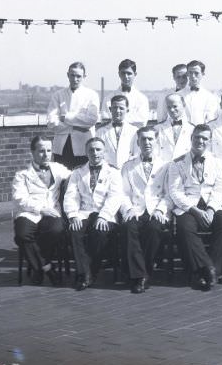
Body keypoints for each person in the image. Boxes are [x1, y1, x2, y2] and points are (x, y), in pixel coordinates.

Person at [167, 125, 222, 291]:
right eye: (197, 137)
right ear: (191, 138)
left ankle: (212, 270)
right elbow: (175, 191)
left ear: (210, 141)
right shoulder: (177, 163)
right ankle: (208, 269)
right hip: (189, 206)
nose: (200, 141)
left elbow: (220, 189)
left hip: (212, 204)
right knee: (184, 227)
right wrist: (194, 210)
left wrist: (210, 209)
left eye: (204, 138)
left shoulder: (218, 162)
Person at [63, 137, 123, 291]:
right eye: (91, 150)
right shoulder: (78, 172)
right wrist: (73, 215)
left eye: (98, 149)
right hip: (83, 212)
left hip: (105, 213)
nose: (95, 153)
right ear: (86, 152)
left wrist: (104, 216)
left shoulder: (113, 172)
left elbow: (115, 197)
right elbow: (71, 195)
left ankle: (89, 272)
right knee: (75, 232)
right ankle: (85, 273)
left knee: (100, 233)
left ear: (104, 152)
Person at [12, 135, 71, 285]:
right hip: (29, 213)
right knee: (22, 234)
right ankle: (47, 267)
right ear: (32, 152)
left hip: (52, 212)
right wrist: (40, 209)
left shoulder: (58, 168)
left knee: (56, 230)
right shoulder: (22, 175)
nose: (46, 155)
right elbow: (19, 199)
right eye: (41, 151)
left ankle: (37, 268)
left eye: (49, 150)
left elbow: (75, 176)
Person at [120, 126, 170, 294]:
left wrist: (161, 210)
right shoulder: (128, 166)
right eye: (143, 139)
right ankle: (142, 275)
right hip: (136, 209)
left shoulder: (166, 165)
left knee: (154, 229)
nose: (147, 142)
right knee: (128, 228)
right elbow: (123, 193)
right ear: (138, 142)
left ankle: (140, 274)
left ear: (156, 141)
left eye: (150, 139)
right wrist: (128, 209)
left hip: (156, 210)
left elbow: (169, 193)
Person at [47, 61, 100, 169]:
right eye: (72, 75)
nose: (75, 79)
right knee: (61, 177)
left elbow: (92, 119)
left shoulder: (92, 95)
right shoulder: (58, 95)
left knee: (83, 177)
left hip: (84, 146)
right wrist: (78, 127)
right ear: (68, 75)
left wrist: (65, 118)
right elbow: (51, 122)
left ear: (84, 76)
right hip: (62, 147)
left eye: (78, 76)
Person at [100, 58, 149, 128]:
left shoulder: (142, 99)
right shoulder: (108, 99)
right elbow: (104, 120)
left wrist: (115, 119)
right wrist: (131, 119)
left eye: (129, 73)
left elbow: (142, 122)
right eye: (123, 73)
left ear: (135, 74)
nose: (126, 76)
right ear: (119, 74)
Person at [95, 95, 138, 169]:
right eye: (115, 107)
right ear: (110, 109)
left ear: (127, 110)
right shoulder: (100, 131)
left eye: (121, 108)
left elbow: (137, 154)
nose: (118, 111)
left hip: (128, 170)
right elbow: (98, 153)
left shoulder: (135, 131)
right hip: (107, 171)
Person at [154, 93, 194, 162]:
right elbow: (155, 153)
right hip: (164, 167)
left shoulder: (192, 129)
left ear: (184, 105)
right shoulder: (157, 129)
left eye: (175, 106)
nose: (172, 110)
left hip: (185, 166)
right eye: (168, 107)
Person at [181, 60, 220, 125]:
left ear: (203, 74)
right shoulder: (178, 96)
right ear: (187, 74)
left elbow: (211, 119)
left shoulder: (210, 97)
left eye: (196, 73)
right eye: (190, 73)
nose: (193, 76)